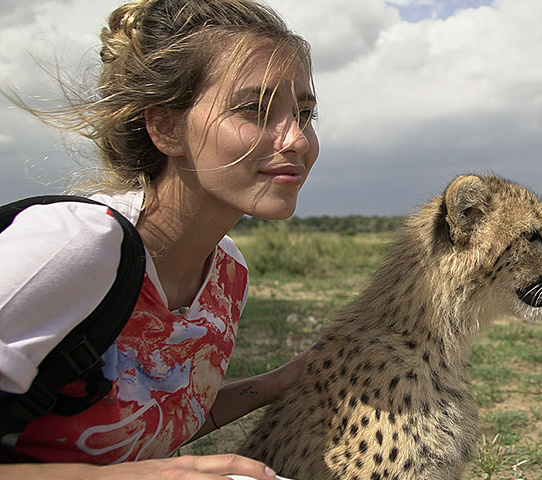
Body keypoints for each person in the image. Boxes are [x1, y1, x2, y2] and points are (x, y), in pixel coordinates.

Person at [0, 0, 319, 478]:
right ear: (166, 128)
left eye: (305, 113)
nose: (297, 139)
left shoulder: (226, 275)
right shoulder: (75, 245)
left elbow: (151, 426)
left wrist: (280, 382)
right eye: (254, 109)